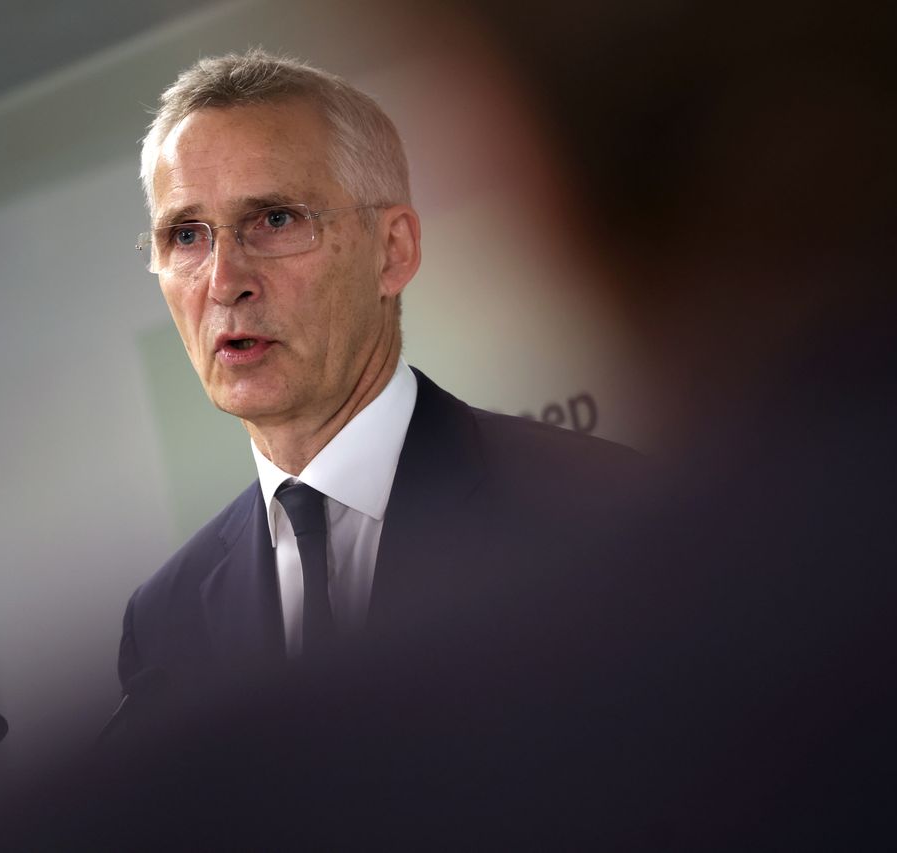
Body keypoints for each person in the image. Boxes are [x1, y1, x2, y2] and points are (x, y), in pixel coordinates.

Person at [116, 49, 639, 720]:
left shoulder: (587, 505)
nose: (224, 282)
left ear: (392, 251)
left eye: (275, 220)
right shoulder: (165, 624)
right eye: (186, 235)